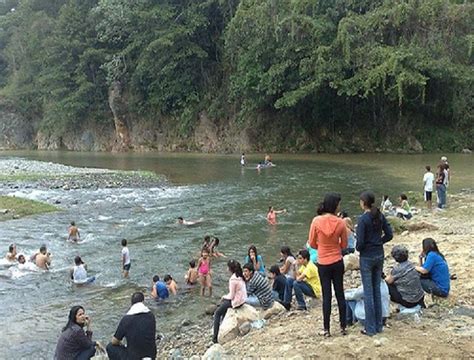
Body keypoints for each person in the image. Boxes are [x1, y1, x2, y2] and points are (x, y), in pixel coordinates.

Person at [308, 192, 348, 336]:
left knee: (327, 296)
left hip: (323, 262)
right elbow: (344, 245)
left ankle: (326, 329)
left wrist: (323, 246)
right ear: (335, 205)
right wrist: (334, 245)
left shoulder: (316, 221)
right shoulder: (341, 223)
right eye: (338, 204)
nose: (339, 206)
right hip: (337, 261)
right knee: (340, 293)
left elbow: (312, 243)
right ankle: (343, 327)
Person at [356, 191, 393, 336]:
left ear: (363, 203)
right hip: (379, 254)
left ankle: (370, 328)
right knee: (376, 290)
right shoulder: (379, 215)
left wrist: (363, 247)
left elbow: (359, 243)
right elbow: (389, 234)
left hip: (367, 257)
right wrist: (378, 242)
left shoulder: (363, 219)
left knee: (368, 292)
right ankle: (379, 325)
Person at [106, 292, 156, 360]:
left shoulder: (126, 319)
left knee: (110, 347)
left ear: (131, 303)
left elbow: (114, 341)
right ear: (143, 301)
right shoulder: (151, 315)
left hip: (134, 357)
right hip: (151, 355)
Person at [212, 260, 247, 343]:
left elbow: (231, 296)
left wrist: (223, 297)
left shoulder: (233, 279)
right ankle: (223, 323)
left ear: (230, 269)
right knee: (223, 307)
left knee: (217, 313)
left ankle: (215, 337)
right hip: (242, 299)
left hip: (237, 302)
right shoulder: (240, 276)